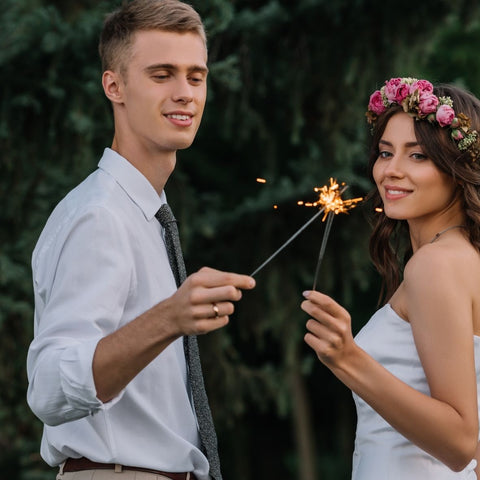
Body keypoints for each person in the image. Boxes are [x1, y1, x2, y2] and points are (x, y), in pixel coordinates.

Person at [26, 1, 255, 479]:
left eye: (196, 76)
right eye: (162, 75)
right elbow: (48, 388)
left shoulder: (147, 215)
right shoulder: (100, 216)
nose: (185, 94)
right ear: (114, 86)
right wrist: (168, 318)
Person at [301, 77, 480, 479]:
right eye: (385, 152)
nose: (391, 171)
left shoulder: (436, 265)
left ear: (457, 167)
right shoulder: (465, 258)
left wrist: (347, 358)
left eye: (417, 156)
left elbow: (460, 442)